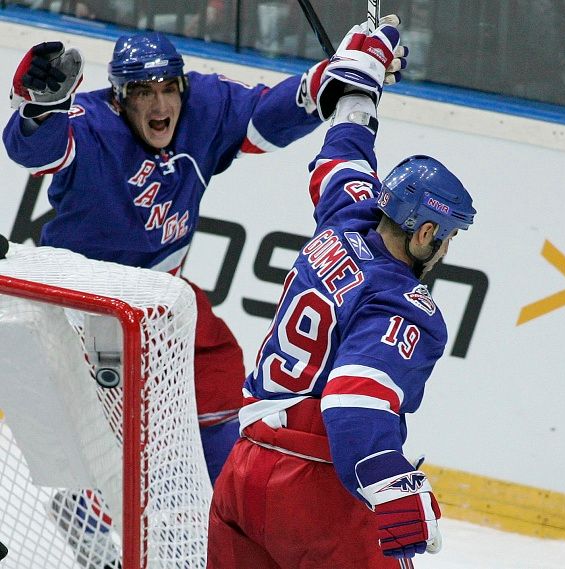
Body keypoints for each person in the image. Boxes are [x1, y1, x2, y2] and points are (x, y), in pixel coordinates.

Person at [3, 29, 332, 569]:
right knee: (130, 428)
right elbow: (35, 149)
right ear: (119, 97)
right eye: (142, 92)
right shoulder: (91, 122)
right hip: (90, 303)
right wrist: (41, 108)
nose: (159, 104)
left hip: (162, 302)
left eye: (167, 89)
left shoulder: (204, 105)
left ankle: (213, 522)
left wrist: (336, 77)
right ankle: (101, 513)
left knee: (219, 372)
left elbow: (269, 114)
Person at [207, 15, 476, 569]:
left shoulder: (345, 219)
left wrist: (365, 72)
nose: (445, 250)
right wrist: (394, 495)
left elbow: (344, 146)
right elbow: (356, 404)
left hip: (244, 466)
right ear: (426, 232)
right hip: (315, 491)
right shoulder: (405, 305)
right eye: (445, 237)